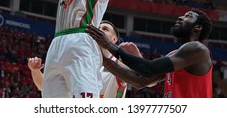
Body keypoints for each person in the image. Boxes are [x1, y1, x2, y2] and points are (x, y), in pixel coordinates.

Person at [86, 9, 214, 98]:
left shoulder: (197, 49)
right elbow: (140, 81)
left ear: (198, 27)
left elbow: (149, 68)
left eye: (188, 16)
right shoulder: (175, 55)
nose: (180, 17)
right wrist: (103, 59)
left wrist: (109, 45)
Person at [28, 21, 127, 98]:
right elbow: (44, 86)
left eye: (105, 29)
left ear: (114, 39)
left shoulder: (118, 64)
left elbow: (132, 75)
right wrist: (35, 71)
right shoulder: (79, 58)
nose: (99, 30)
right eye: (98, 28)